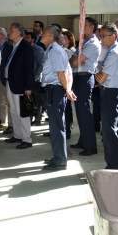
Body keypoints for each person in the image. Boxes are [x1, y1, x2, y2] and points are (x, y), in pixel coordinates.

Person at [40, 26, 77, 171]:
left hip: (55, 90)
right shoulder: (53, 49)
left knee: (57, 127)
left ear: (50, 36)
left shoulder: (55, 51)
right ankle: (58, 156)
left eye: (44, 34)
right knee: (55, 126)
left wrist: (67, 90)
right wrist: (67, 89)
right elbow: (66, 71)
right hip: (54, 90)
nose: (41, 36)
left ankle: (60, 159)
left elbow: (62, 73)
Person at [95, 23, 118, 169]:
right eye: (100, 36)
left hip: (111, 93)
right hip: (111, 91)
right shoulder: (112, 51)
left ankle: (114, 164)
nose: (101, 39)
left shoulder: (115, 53)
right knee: (113, 129)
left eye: (104, 36)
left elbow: (101, 78)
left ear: (114, 36)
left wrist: (96, 71)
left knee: (109, 131)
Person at [0, 23, 35, 149]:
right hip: (11, 82)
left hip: (21, 85)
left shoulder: (26, 47)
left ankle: (27, 139)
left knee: (23, 112)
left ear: (20, 32)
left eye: (12, 30)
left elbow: (29, 68)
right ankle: (18, 135)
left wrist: (28, 87)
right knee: (13, 111)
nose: (10, 32)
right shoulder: (13, 46)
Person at [70, 17, 101, 156]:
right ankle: (83, 141)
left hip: (85, 78)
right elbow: (74, 59)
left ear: (92, 27)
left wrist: (74, 59)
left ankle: (90, 147)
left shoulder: (93, 44)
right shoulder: (84, 42)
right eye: (82, 25)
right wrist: (74, 58)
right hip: (78, 77)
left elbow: (75, 62)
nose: (82, 27)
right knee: (80, 113)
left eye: (85, 25)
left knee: (85, 114)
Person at [25, 30, 46, 126]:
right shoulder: (25, 49)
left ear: (33, 39)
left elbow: (41, 65)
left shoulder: (38, 49)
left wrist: (35, 77)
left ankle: (38, 119)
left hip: (36, 79)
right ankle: (29, 119)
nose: (26, 39)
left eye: (28, 38)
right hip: (28, 79)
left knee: (37, 101)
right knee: (29, 100)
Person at [60, 29, 76, 139]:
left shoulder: (71, 51)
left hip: (69, 81)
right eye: (61, 38)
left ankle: (67, 130)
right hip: (62, 80)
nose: (62, 40)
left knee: (67, 108)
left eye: (65, 38)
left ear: (70, 40)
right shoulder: (61, 49)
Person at [0, 27, 11, 131]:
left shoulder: (10, 46)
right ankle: (3, 121)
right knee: (0, 101)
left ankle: (11, 124)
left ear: (2, 35)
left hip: (7, 78)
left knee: (9, 102)